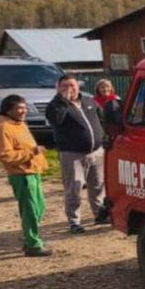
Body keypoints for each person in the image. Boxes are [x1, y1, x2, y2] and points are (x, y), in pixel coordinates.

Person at [46, 74, 108, 233]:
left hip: (97, 152)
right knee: (74, 188)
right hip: (72, 154)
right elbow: (56, 120)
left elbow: (101, 119)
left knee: (98, 185)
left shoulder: (88, 101)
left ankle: (100, 214)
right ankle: (74, 222)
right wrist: (64, 101)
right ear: (58, 88)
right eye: (64, 86)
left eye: (72, 85)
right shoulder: (55, 106)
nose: (69, 89)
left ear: (78, 86)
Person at [0, 95, 51, 257]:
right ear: (8, 109)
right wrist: (31, 152)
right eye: (19, 108)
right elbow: (6, 155)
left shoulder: (19, 124)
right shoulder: (3, 127)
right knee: (30, 210)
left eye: (24, 108)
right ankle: (33, 244)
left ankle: (30, 239)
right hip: (21, 175)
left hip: (33, 171)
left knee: (39, 207)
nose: (23, 111)